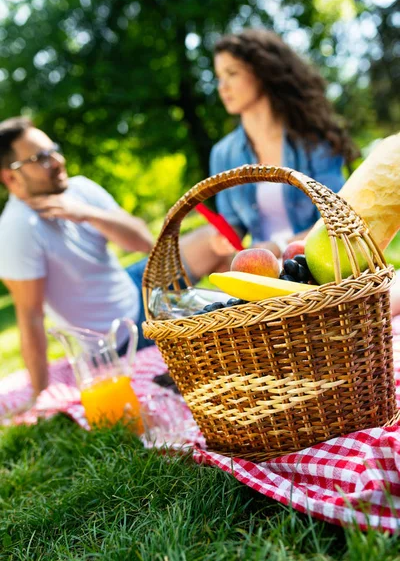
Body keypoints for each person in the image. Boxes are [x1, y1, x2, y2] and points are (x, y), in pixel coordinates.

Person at [0, 117, 231, 399]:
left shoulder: (78, 189)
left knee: (215, 242)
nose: (58, 161)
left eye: (54, 150)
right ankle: (228, 328)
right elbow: (30, 317)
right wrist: (41, 395)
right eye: (41, 158)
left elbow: (146, 241)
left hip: (135, 285)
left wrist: (86, 212)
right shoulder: (16, 230)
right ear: (11, 177)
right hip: (120, 334)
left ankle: (252, 316)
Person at [210, 29, 359, 257]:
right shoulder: (222, 154)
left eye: (232, 73)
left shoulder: (312, 140)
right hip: (261, 270)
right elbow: (233, 222)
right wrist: (226, 236)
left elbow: (337, 219)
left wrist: (280, 247)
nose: (223, 86)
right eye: (219, 77)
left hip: (319, 263)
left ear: (260, 72)